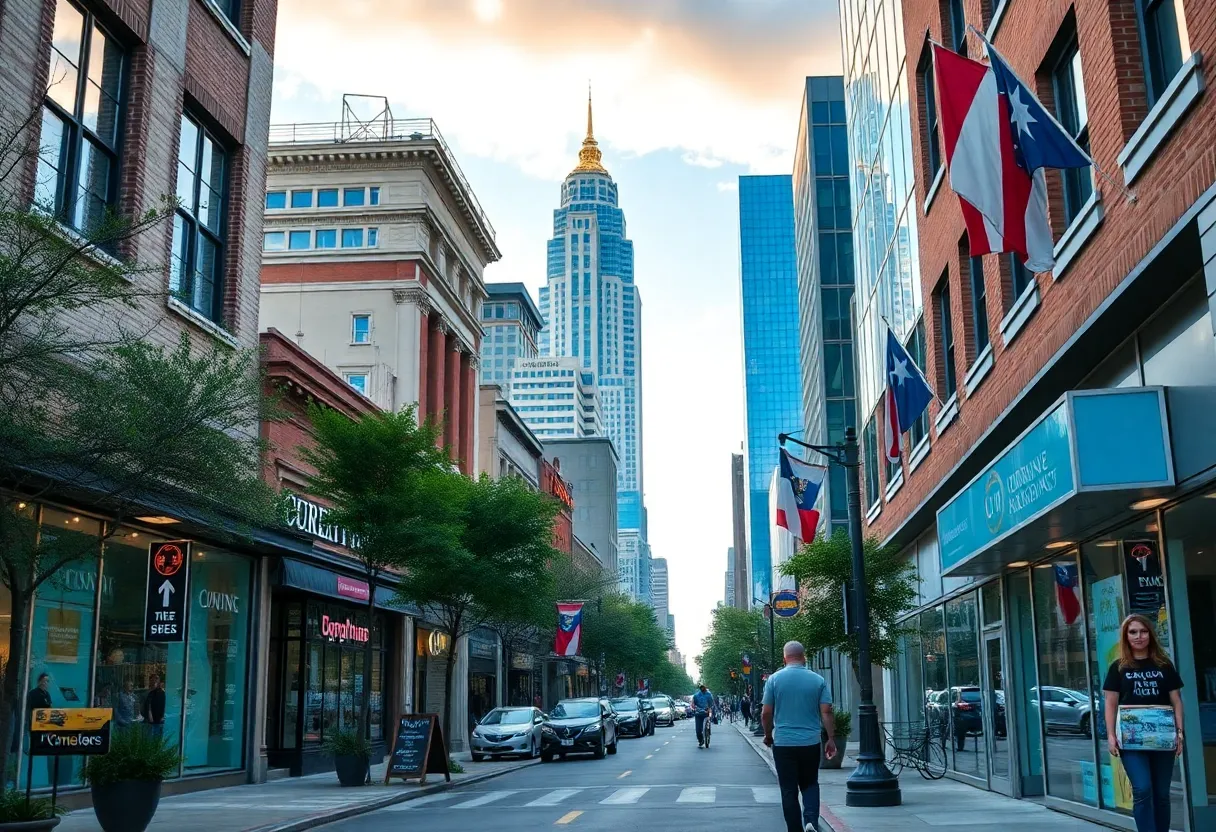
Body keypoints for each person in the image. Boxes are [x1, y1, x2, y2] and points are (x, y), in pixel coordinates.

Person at [1103, 613, 1184, 832]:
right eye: (1133, 632)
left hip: (1163, 738)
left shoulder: (1164, 665)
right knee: (1142, 788)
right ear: (1126, 636)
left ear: (1150, 634)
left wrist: (1179, 734)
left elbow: (1176, 701)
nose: (1139, 636)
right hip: (1131, 740)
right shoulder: (1118, 667)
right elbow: (1110, 703)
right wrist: (1111, 736)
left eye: (1143, 631)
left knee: (1161, 793)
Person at [762, 641, 836, 832]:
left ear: (784, 657)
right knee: (810, 783)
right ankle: (810, 820)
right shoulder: (817, 680)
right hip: (810, 742)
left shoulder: (774, 680)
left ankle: (794, 829)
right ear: (804, 657)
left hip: (784, 743)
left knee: (788, 789)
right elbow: (826, 711)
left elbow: (766, 712)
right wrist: (831, 738)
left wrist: (768, 734)